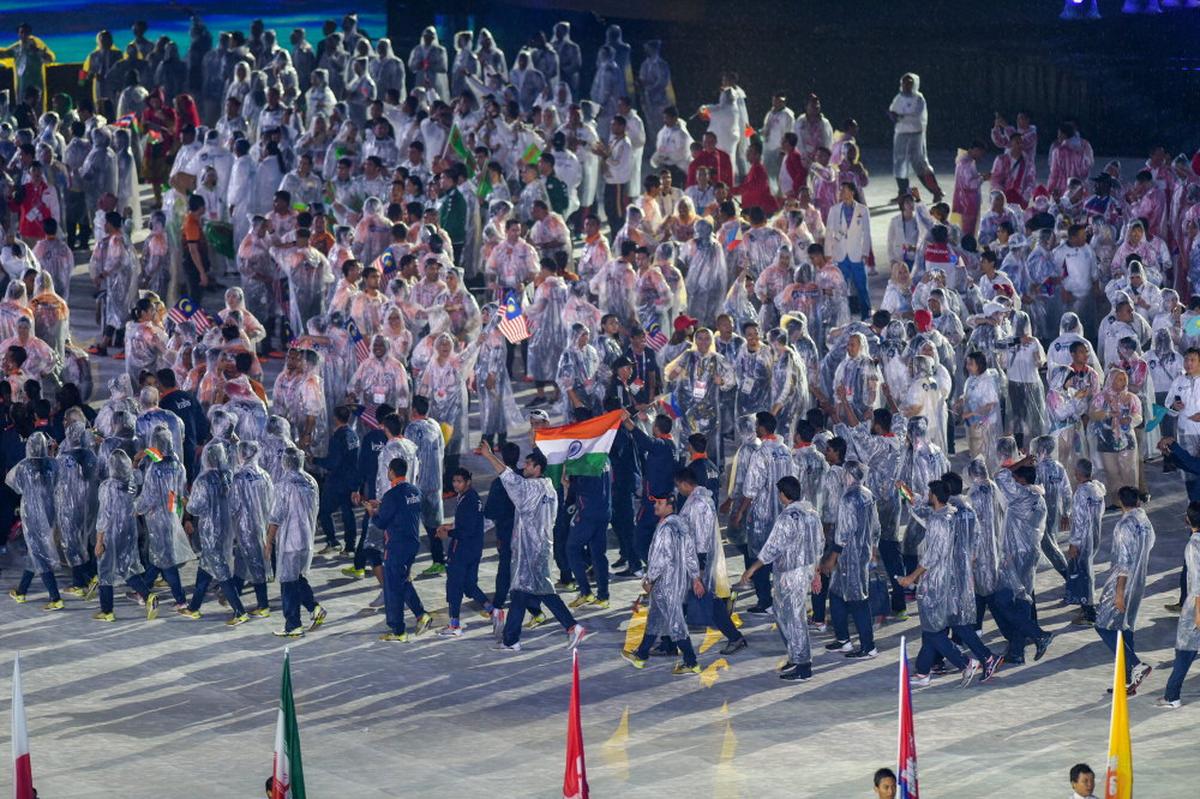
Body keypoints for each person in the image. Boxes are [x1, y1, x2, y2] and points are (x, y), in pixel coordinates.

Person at [475, 440, 587, 652]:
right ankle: (511, 640)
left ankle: (573, 626)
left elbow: (508, 478)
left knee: (540, 591)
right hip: (540, 547)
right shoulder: (550, 489)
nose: (524, 467)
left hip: (531, 550)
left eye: (528, 465)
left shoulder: (532, 489)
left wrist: (489, 455)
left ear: (538, 468)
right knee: (521, 591)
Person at [739, 475, 823, 680]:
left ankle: (803, 665)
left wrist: (752, 568)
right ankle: (796, 657)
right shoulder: (811, 513)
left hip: (790, 574)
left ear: (783, 495)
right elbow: (820, 543)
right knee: (785, 614)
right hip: (804, 571)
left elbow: (773, 548)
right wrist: (816, 572)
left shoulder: (787, 517)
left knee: (794, 619)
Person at [620, 492, 705, 675]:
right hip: (678, 582)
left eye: (660, 503)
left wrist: (649, 579)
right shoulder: (682, 525)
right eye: (655, 502)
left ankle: (691, 661)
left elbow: (660, 558)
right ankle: (641, 656)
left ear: (670, 506)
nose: (655, 506)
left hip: (665, 583)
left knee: (676, 624)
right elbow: (691, 553)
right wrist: (695, 577)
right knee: (655, 619)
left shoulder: (666, 528)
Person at [364, 457, 434, 642]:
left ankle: (398, 630)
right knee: (402, 581)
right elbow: (406, 509)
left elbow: (381, 523)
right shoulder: (415, 491)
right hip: (412, 543)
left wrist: (372, 512)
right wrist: (383, 505)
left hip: (396, 545)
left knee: (392, 586)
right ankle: (420, 615)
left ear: (392, 472)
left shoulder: (392, 495)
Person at [1095, 486, 1155, 695]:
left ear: (1121, 502)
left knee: (1103, 626)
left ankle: (1136, 665)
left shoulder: (1123, 525)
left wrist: (1119, 593)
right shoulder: (1144, 521)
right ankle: (1127, 680)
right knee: (1125, 627)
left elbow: (1123, 563)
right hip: (1139, 581)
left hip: (1123, 583)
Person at [180, 443, 249, 624]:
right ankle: (194, 607)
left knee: (221, 571)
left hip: (210, 531)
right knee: (205, 567)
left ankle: (240, 611)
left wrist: (186, 501)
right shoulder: (227, 476)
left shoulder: (203, 480)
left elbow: (195, 507)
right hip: (226, 528)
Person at [822, 461, 881, 659]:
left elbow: (843, 534)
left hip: (850, 558)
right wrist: (873, 547)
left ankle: (868, 646)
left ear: (848, 474)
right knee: (837, 593)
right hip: (861, 554)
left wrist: (832, 558)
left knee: (858, 600)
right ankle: (843, 639)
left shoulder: (848, 498)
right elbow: (876, 526)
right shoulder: (867, 494)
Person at [266, 447, 327, 637]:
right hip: (307, 538)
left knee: (287, 582)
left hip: (290, 540)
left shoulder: (283, 484)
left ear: (285, 462)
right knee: (297, 578)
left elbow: (276, 515)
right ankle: (314, 607)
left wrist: (269, 541)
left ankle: (293, 625)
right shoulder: (311, 481)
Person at [94, 449, 157, 621]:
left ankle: (107, 611)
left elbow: (104, 516)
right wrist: (135, 463)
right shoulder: (132, 482)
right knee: (126, 568)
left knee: (105, 571)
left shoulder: (107, 487)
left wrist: (99, 541)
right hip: (129, 531)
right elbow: (137, 475)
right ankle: (148, 596)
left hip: (112, 532)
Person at [6, 432, 63, 610]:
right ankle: (22, 591)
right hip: (49, 511)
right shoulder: (53, 464)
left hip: (31, 514)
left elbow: (11, 482)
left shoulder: (23, 467)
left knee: (39, 554)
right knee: (35, 551)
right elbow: (59, 480)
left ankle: (55, 597)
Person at [436, 468, 493, 636]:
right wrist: (451, 526)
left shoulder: (468, 500)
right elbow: (467, 523)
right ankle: (492, 610)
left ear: (468, 482)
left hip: (461, 549)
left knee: (454, 586)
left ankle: (454, 625)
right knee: (469, 584)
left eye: (459, 481)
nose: (456, 484)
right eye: (454, 481)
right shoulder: (472, 498)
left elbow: (465, 530)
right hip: (474, 548)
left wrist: (448, 533)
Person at [1159, 501, 1200, 708]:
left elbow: (1198, 582)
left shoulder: (1194, 545)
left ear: (1188, 520)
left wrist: (1198, 615)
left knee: (1184, 651)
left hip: (1196, 607)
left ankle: (1171, 696)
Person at [887, 73, 941, 202]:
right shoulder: (899, 98)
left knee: (920, 165)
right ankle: (903, 192)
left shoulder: (919, 98)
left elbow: (915, 115)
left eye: (910, 82)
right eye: (905, 82)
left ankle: (936, 191)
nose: (907, 85)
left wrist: (900, 117)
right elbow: (892, 112)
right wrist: (895, 116)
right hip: (901, 135)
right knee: (900, 164)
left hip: (915, 136)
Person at [314, 405, 360, 554]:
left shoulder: (337, 437)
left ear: (335, 418)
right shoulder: (354, 435)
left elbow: (333, 462)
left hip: (336, 482)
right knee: (348, 514)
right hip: (350, 480)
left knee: (324, 512)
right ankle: (350, 546)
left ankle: (332, 541)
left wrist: (315, 460)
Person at [1065, 459, 1106, 626]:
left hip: (1083, 538)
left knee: (1083, 573)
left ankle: (1089, 611)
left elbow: (1079, 520)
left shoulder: (1081, 492)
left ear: (1079, 473)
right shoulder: (1097, 488)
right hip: (1094, 534)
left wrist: (1074, 542)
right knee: (1086, 570)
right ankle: (1086, 603)